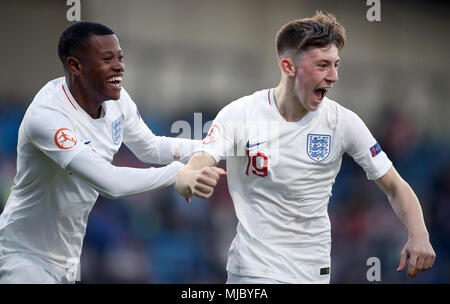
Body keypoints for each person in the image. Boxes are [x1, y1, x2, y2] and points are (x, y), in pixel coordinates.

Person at [175, 11, 436, 283]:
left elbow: (395, 185)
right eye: (323, 65)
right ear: (288, 67)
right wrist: (186, 179)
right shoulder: (241, 114)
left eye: (336, 64)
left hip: (314, 272)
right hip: (253, 271)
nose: (334, 76)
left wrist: (419, 234)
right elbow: (197, 163)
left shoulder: (342, 122)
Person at [0, 21, 199, 283]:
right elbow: (110, 183)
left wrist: (215, 146)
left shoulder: (117, 100)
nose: (119, 66)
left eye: (120, 58)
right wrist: (178, 173)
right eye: (107, 59)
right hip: (23, 258)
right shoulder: (48, 116)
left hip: (67, 262)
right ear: (75, 66)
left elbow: (150, 148)